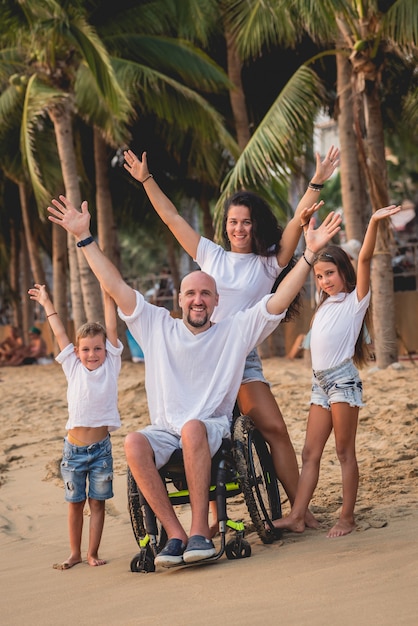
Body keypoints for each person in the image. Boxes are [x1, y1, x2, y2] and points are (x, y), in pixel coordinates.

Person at [47, 194, 341, 567]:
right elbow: (115, 283)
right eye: (190, 293)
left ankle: (201, 530)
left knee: (192, 428)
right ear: (179, 299)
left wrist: (309, 256)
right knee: (135, 442)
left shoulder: (233, 331)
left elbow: (279, 300)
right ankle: (176, 534)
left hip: (208, 427)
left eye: (205, 293)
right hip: (167, 430)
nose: (197, 300)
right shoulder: (156, 325)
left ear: (217, 301)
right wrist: (84, 238)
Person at [123, 146, 340, 531]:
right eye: (233, 221)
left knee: (274, 428)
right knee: (196, 432)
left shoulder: (269, 262)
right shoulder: (212, 256)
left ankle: (299, 511)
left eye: (246, 222)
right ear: (225, 225)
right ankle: (201, 523)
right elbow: (172, 219)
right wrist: (146, 180)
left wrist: (317, 179)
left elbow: (296, 222)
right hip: (197, 361)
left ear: (256, 226)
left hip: (240, 357)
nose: (238, 228)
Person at [271, 205, 401, 538]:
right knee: (310, 452)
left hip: (343, 382)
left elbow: (366, 259)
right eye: (320, 276)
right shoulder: (325, 304)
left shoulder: (355, 300)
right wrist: (305, 230)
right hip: (320, 386)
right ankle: (298, 515)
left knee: (344, 452)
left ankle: (347, 517)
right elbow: (309, 256)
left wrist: (371, 221)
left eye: (330, 274)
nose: (325, 281)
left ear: (343, 272)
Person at [28, 283, 123, 569]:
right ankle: (74, 553)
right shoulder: (72, 366)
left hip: (101, 451)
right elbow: (59, 332)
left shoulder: (112, 365)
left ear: (106, 349)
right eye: (86, 349)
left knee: (98, 504)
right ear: (77, 351)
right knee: (75, 503)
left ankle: (92, 553)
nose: (92, 354)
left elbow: (112, 327)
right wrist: (47, 303)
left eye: (97, 348)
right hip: (73, 452)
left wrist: (108, 296)